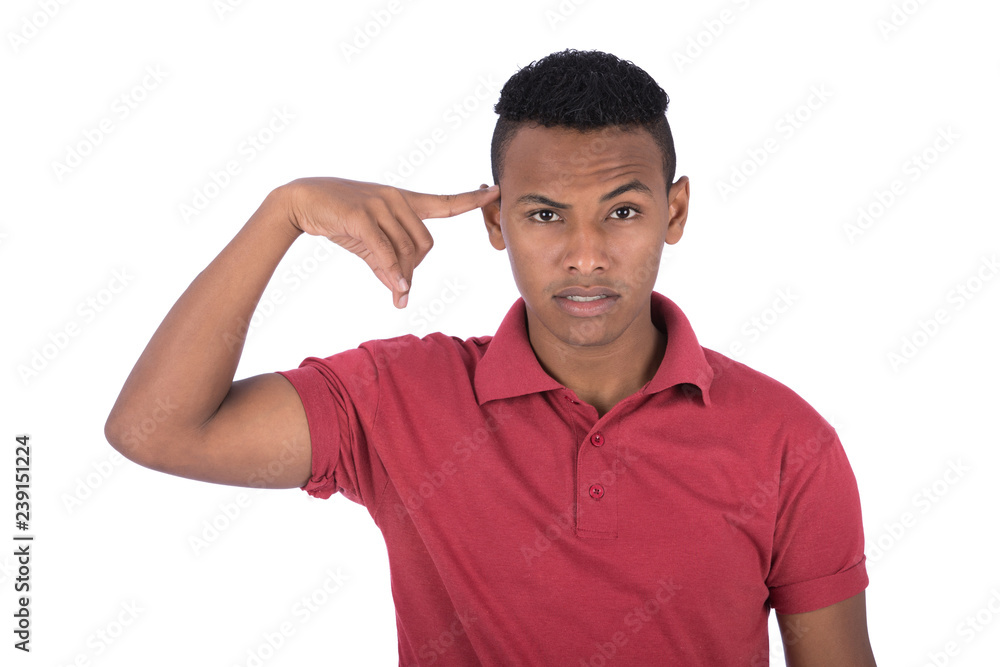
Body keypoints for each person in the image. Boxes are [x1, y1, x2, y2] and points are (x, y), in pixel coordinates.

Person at [105, 48, 876, 665]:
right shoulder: (398, 399)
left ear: (673, 212)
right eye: (545, 214)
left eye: (622, 211)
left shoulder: (789, 443)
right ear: (496, 221)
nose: (585, 255)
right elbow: (155, 428)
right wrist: (286, 210)